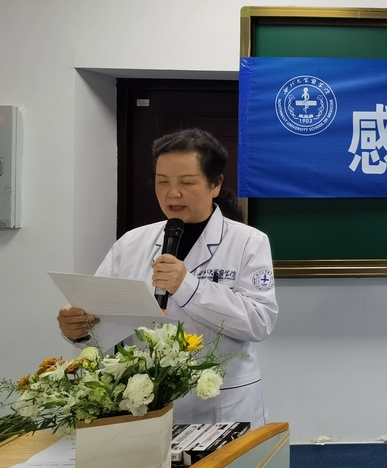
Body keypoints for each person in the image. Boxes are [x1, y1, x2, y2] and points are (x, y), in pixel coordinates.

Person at [56, 128, 278, 427]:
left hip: (219, 405)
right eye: (163, 182)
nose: (172, 193)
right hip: (143, 402)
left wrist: (189, 287)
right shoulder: (131, 243)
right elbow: (105, 322)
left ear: (215, 184)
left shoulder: (248, 241)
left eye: (186, 182)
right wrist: (79, 329)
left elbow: (259, 322)